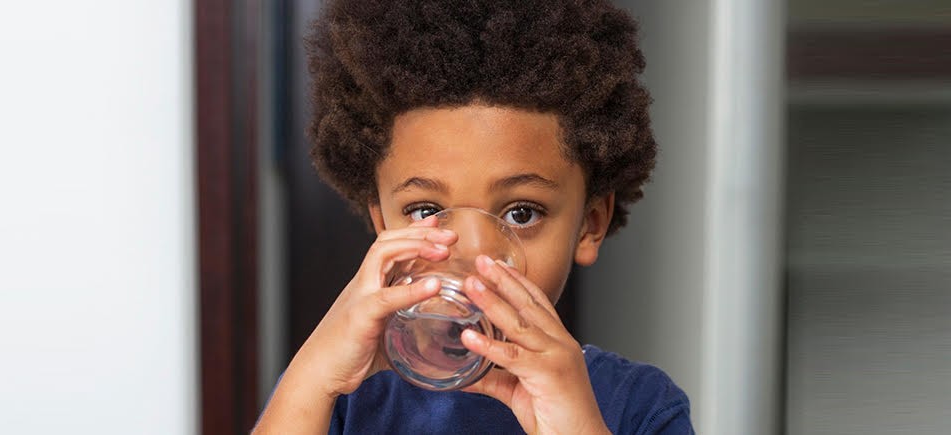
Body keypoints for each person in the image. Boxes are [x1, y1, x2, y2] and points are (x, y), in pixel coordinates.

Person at [254, 0, 693, 433]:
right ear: (384, 225)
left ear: (589, 224)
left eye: (521, 213)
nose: (474, 254)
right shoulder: (336, 395)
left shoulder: (641, 405)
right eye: (426, 211)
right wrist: (314, 374)